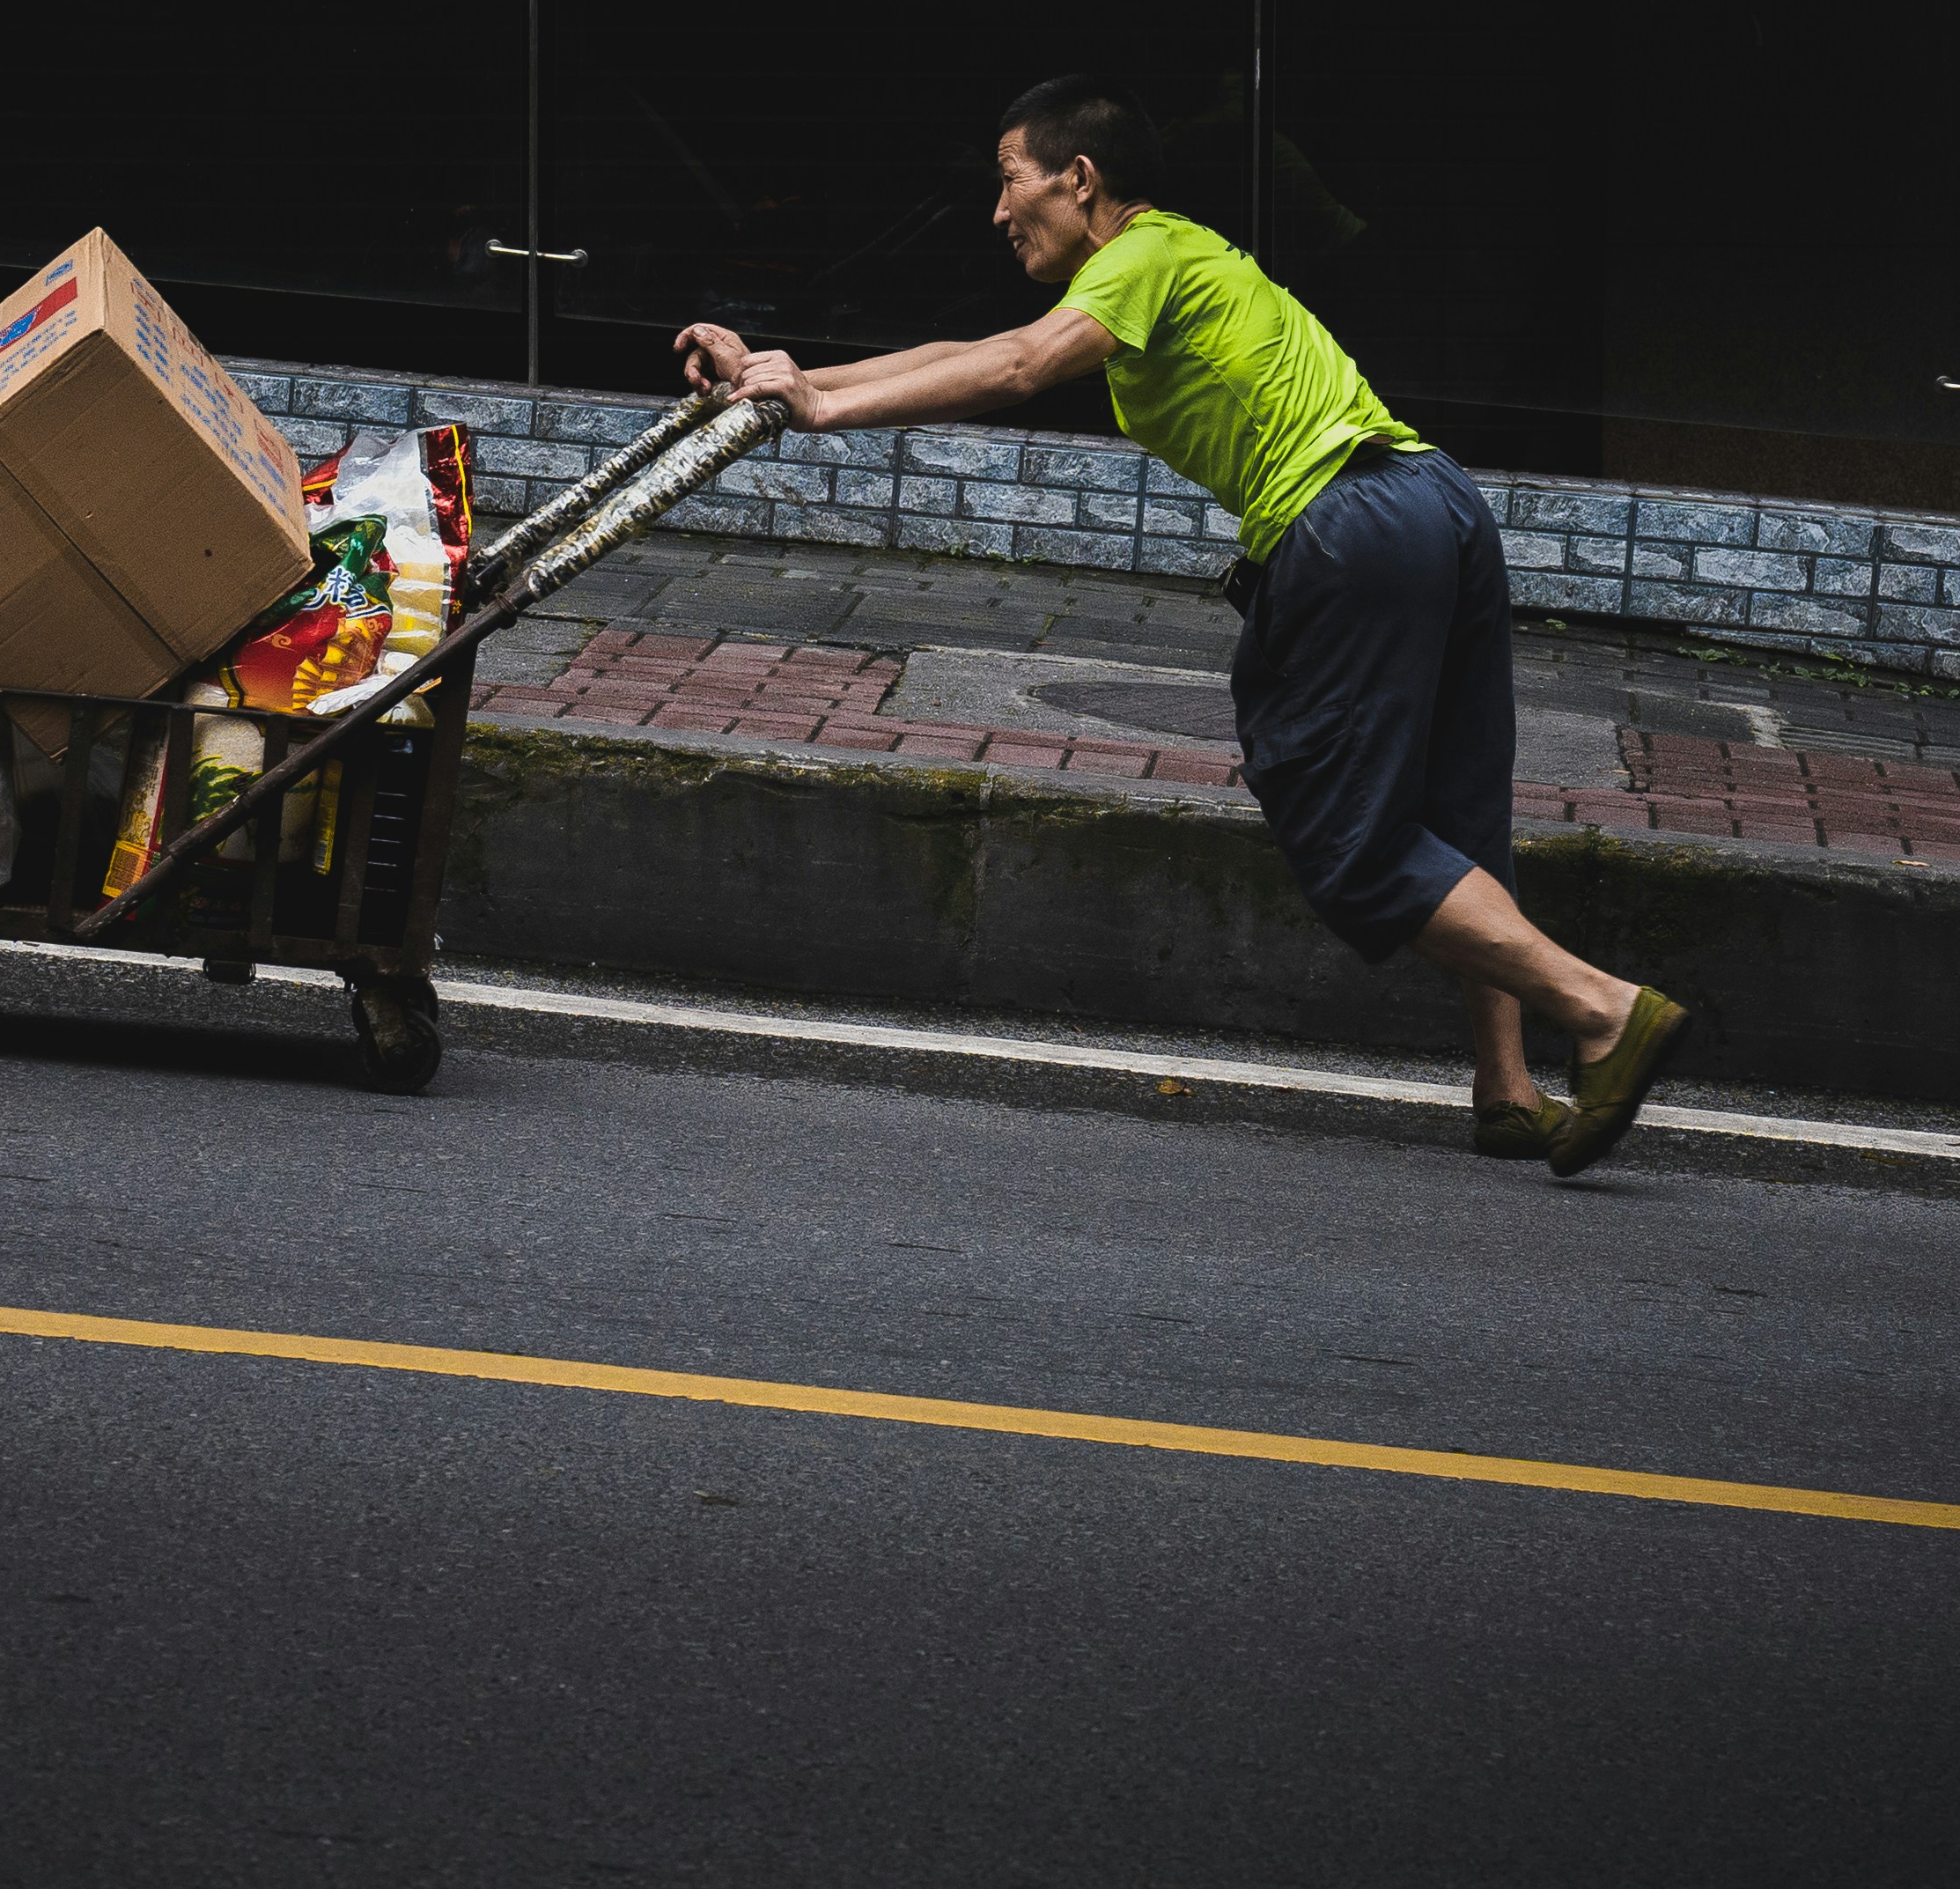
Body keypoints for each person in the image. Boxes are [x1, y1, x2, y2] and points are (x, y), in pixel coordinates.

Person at [674, 77, 1693, 1177]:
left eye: (1010, 179)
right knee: (1452, 805)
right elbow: (978, 346)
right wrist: (789, 381)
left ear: (1080, 178)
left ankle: (1600, 1009)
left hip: (1343, 526)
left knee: (1343, 829)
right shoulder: (1158, 263)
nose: (996, 210)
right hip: (1430, 502)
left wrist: (816, 406)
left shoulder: (1145, 255)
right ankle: (1506, 1086)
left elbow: (1016, 367)